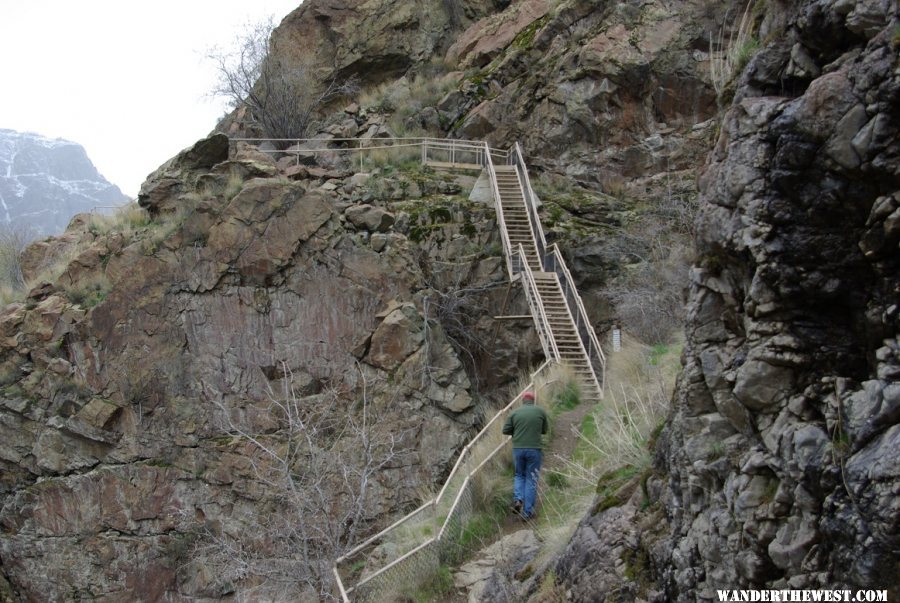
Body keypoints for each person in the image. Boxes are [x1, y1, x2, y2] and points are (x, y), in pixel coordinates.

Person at [502, 390, 548, 520]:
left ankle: (518, 499)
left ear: (523, 400)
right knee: (531, 479)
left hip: (518, 449)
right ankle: (527, 513)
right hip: (534, 450)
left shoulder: (515, 413)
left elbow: (505, 430)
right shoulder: (540, 412)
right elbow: (544, 430)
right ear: (533, 400)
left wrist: (517, 431)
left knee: (519, 475)